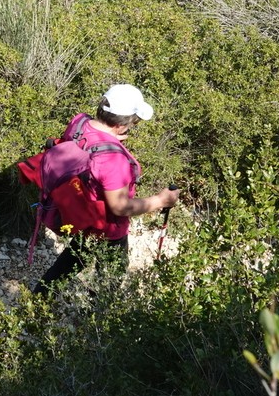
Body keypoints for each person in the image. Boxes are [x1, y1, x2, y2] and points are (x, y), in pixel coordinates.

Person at [33, 84, 180, 295]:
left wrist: (108, 139)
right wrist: (161, 200)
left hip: (79, 213)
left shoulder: (79, 123)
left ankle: (38, 301)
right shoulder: (112, 159)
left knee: (71, 260)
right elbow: (120, 207)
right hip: (106, 228)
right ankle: (100, 317)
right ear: (121, 126)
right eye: (134, 122)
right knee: (110, 277)